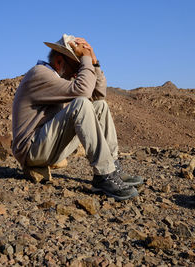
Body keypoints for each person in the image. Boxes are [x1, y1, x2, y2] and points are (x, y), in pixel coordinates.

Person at [12, 34, 143, 200]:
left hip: (46, 147)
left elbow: (98, 95)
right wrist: (85, 60)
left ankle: (113, 168)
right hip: (31, 150)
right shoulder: (40, 74)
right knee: (80, 103)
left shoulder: (56, 77)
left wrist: (94, 62)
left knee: (99, 106)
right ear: (59, 61)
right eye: (76, 67)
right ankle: (104, 175)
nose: (77, 73)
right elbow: (83, 92)